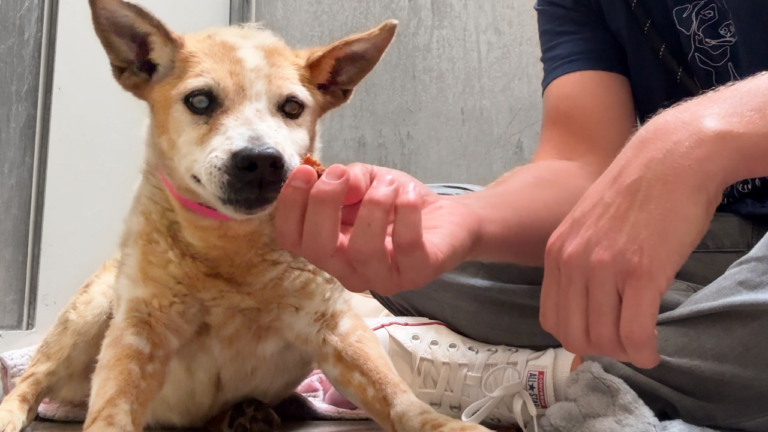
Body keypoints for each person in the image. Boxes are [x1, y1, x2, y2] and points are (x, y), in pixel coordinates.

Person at [275, 1, 768, 430]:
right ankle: (697, 363)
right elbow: (577, 164)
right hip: (708, 250)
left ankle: (540, 383)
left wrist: (706, 134)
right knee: (390, 233)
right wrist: (466, 224)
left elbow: (689, 143)